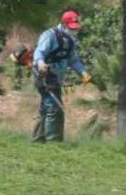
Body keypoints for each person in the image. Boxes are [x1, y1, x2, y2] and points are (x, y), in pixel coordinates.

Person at [26, 11, 91, 142]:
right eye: (71, 27)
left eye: (75, 27)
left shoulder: (70, 41)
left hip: (56, 77)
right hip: (44, 74)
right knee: (54, 107)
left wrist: (83, 73)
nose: (73, 30)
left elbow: (73, 60)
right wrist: (40, 63)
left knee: (46, 106)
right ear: (63, 24)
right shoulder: (49, 35)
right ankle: (53, 142)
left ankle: (38, 139)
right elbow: (39, 52)